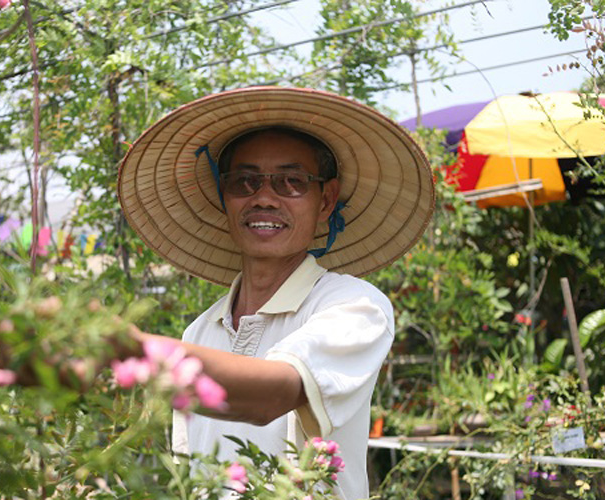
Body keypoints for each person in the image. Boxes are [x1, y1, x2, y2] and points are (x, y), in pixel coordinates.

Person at [117, 86, 434, 499]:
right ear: (223, 196)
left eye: (292, 182)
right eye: (244, 182)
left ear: (327, 200)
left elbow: (272, 394)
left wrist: (128, 348)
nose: (264, 197)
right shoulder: (198, 334)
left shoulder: (354, 306)